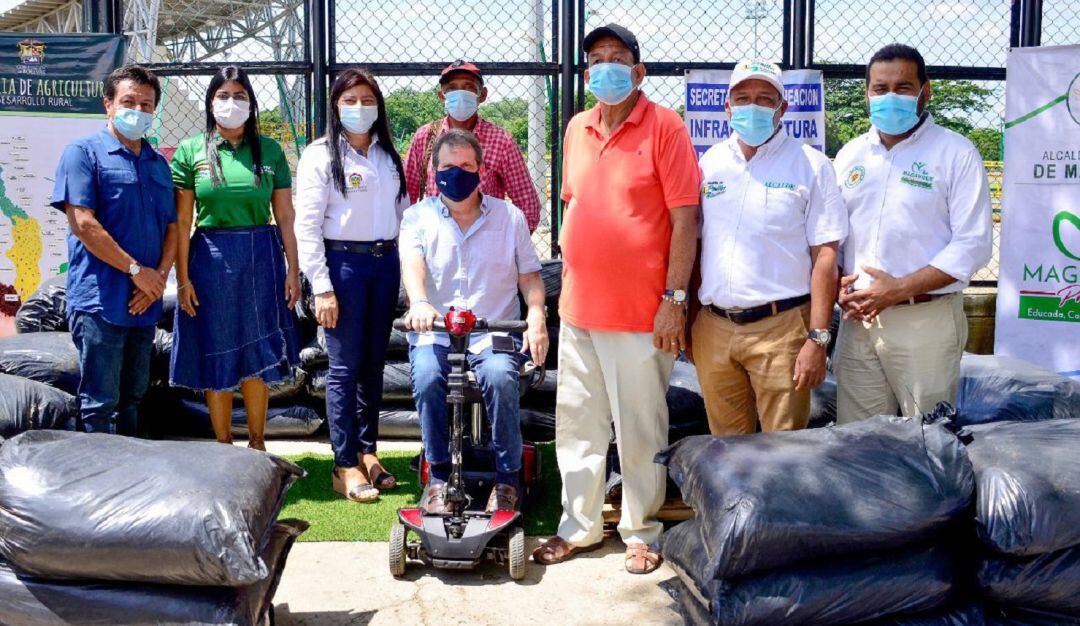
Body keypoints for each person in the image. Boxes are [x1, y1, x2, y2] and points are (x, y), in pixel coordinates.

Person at [533, 24, 701, 575]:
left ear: (638, 71)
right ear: (587, 74)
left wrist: (674, 299)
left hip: (641, 314)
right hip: (579, 310)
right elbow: (574, 203)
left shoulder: (666, 126)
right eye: (596, 59)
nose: (605, 66)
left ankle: (641, 530)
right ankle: (578, 528)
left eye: (617, 57)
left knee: (639, 428)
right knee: (577, 425)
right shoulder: (577, 128)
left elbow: (685, 219)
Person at [833, 44, 992, 422]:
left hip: (924, 320)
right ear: (867, 94)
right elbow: (835, 237)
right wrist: (837, 283)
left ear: (925, 91)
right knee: (859, 439)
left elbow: (972, 243)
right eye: (880, 88)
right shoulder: (850, 155)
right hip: (858, 323)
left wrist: (900, 288)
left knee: (926, 437)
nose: (890, 97)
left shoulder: (955, 153)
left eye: (903, 87)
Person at [691, 60, 846, 435]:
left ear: (782, 108)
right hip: (715, 328)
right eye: (742, 98)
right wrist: (691, 319)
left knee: (783, 452)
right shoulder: (710, 163)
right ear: (727, 107)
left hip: (782, 331)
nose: (752, 106)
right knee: (726, 449)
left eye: (764, 98)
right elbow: (694, 241)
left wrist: (818, 338)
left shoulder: (811, 165)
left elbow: (826, 256)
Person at [400, 129, 548, 514]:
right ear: (435, 172)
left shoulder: (509, 217)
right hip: (437, 331)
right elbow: (412, 264)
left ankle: (508, 477)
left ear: (481, 170)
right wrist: (420, 302)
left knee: (499, 376)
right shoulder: (417, 217)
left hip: (493, 330)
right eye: (448, 167)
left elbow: (530, 277)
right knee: (427, 376)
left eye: (466, 166)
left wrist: (535, 314)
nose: (458, 173)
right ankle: (438, 475)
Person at [169, 65, 302, 451]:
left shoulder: (270, 150)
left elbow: (285, 216)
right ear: (211, 103)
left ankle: (258, 445)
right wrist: (182, 279)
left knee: (257, 351)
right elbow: (182, 221)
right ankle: (223, 446)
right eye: (223, 95)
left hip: (262, 256)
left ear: (252, 103)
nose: (232, 103)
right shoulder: (191, 150)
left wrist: (293, 270)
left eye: (240, 96)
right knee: (218, 350)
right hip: (210, 259)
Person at [294, 69, 408, 502]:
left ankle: (367, 450)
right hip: (343, 266)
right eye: (350, 100)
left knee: (373, 365)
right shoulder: (320, 156)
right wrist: (322, 287)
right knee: (343, 367)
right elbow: (307, 227)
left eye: (367, 100)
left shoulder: (387, 155)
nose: (359, 108)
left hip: (385, 264)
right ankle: (344, 464)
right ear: (335, 106)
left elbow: (403, 214)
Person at [50, 64, 178, 435]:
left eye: (146, 105)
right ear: (108, 104)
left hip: (144, 302)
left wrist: (158, 279)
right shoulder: (82, 153)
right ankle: (97, 471)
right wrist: (138, 272)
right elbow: (83, 223)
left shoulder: (158, 164)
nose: (138, 111)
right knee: (100, 402)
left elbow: (173, 227)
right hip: (100, 301)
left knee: (134, 397)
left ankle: (129, 469)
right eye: (128, 102)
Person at [403, 60, 541, 232]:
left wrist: (507, 242)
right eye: (452, 88)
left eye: (468, 87)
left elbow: (527, 204)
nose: (460, 94)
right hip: (437, 240)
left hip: (486, 240)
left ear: (482, 95)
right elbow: (406, 196)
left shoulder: (501, 141)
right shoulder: (425, 137)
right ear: (441, 96)